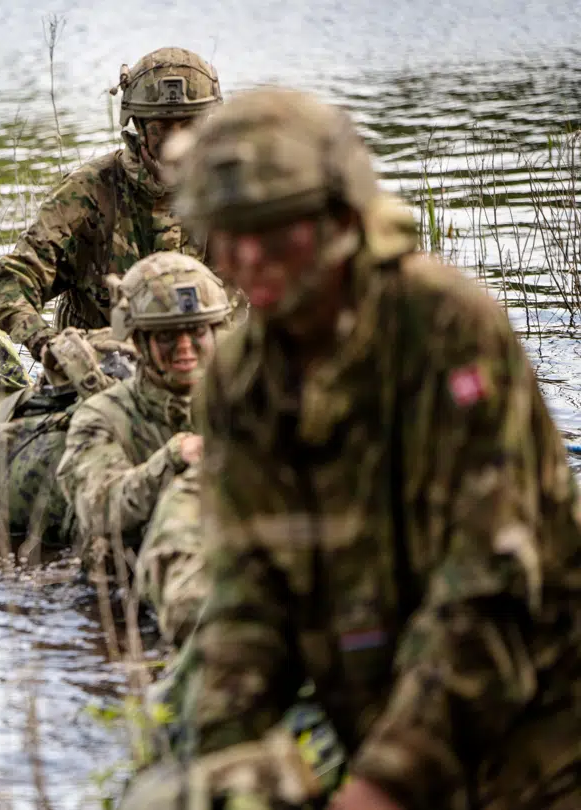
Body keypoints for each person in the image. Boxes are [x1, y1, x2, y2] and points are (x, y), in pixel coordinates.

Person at [176, 87, 581, 810]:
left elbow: (491, 586)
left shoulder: (447, 328)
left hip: (540, 744)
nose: (248, 260)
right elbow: (246, 594)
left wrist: (383, 783)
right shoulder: (239, 382)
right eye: (228, 236)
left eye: (274, 233)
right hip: (376, 724)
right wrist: (227, 753)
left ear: (339, 217)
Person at [0, 47, 220, 381]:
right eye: (161, 127)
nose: (176, 142)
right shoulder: (88, 192)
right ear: (138, 125)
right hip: (107, 376)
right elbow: (11, 282)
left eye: (189, 125)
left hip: (211, 375)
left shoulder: (229, 192)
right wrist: (48, 346)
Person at [54, 251, 229, 574]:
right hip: (141, 568)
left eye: (197, 332)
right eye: (167, 336)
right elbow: (98, 507)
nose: (185, 348)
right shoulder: (103, 415)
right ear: (139, 340)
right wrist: (174, 457)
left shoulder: (245, 394)